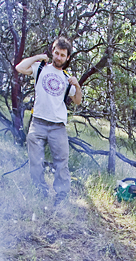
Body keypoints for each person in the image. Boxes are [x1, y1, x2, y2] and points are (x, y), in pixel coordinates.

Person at [16, 37, 82, 205]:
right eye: (57, 53)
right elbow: (20, 67)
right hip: (38, 122)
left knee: (61, 163)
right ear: (53, 51)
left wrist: (77, 85)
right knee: (35, 161)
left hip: (57, 127)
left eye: (63, 55)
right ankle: (40, 191)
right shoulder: (40, 68)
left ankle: (61, 197)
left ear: (67, 58)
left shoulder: (67, 79)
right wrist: (38, 56)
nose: (59, 57)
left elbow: (77, 101)